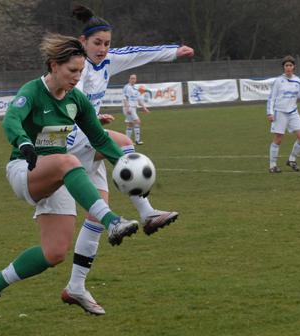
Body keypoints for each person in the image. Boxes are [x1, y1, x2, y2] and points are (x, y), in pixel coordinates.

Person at [0, 33, 140, 317]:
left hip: (59, 174)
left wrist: (125, 162)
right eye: (71, 71)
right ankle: (111, 221)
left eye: (81, 71)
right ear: (53, 65)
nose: (77, 77)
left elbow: (99, 139)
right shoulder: (32, 91)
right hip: (24, 170)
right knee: (69, 160)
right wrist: (23, 142)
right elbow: (11, 120)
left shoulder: (76, 99)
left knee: (54, 253)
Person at [61, 4, 195, 315]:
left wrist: (174, 51)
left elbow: (140, 53)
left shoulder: (107, 61)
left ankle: (76, 286)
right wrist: (89, 119)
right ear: (83, 42)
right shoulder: (73, 70)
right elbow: (64, 103)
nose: (103, 49)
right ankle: (146, 213)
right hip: (69, 144)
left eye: (107, 43)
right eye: (97, 43)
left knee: (96, 216)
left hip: (86, 137)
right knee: (123, 145)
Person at [267, 55, 300, 173]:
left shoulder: (297, 80)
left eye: (290, 65)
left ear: (294, 67)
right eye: (286, 65)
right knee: (278, 139)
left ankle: (292, 160)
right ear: (283, 67)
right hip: (280, 112)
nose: (288, 67)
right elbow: (271, 98)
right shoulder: (278, 81)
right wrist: (270, 113)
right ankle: (272, 166)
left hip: (293, 112)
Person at [123, 73, 150, 145]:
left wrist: (144, 108)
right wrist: (127, 108)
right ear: (129, 79)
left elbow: (139, 100)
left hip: (133, 108)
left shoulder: (135, 88)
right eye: (132, 78)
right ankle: (137, 141)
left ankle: (127, 142)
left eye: (134, 78)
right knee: (137, 122)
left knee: (130, 124)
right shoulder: (127, 87)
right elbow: (125, 98)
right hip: (129, 108)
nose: (133, 80)